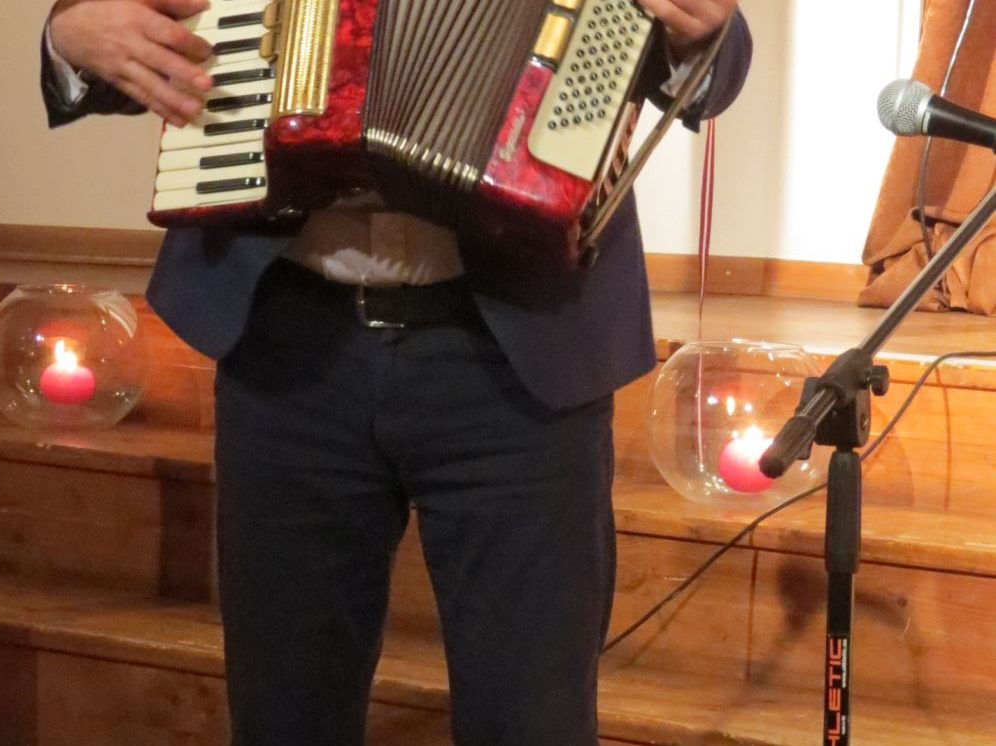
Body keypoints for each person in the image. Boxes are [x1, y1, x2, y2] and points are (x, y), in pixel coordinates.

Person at [42, 2, 751, 744]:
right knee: (285, 718)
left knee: (531, 721)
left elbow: (711, 62)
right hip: (289, 344)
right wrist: (69, 36)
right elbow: (132, 28)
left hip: (517, 355)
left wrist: (704, 32)